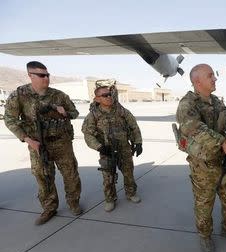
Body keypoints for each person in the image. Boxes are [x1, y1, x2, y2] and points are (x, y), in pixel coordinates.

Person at [176, 64, 226, 252]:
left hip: (224, 163)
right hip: (203, 167)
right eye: (210, 76)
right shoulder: (187, 104)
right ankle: (205, 236)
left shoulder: (217, 102)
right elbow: (193, 128)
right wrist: (223, 142)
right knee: (204, 205)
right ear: (197, 81)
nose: (215, 79)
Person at [4, 61, 82, 225]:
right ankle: (49, 208)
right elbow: (10, 120)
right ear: (30, 75)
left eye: (47, 75)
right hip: (38, 145)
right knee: (43, 177)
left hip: (62, 143)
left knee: (71, 175)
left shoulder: (59, 95)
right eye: (41, 75)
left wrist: (65, 112)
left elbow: (75, 113)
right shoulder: (19, 95)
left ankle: (73, 203)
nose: (45, 78)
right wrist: (27, 140)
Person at [81, 80, 143, 212]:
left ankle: (131, 193)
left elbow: (133, 126)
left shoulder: (121, 110)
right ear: (97, 99)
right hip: (107, 150)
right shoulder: (93, 115)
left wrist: (138, 142)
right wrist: (99, 147)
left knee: (128, 173)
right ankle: (110, 199)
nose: (109, 97)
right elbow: (88, 135)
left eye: (109, 94)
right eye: (104, 95)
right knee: (108, 177)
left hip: (124, 148)